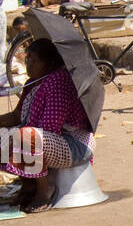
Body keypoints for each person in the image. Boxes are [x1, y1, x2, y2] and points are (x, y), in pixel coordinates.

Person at [0, 37, 94, 211]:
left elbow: (50, 127)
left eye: (35, 61)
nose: (29, 64)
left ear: (50, 63)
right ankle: (28, 185)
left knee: (25, 137)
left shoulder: (58, 81)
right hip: (46, 139)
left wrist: (14, 138)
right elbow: (16, 115)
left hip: (74, 145)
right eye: (28, 59)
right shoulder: (32, 82)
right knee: (8, 137)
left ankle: (45, 189)